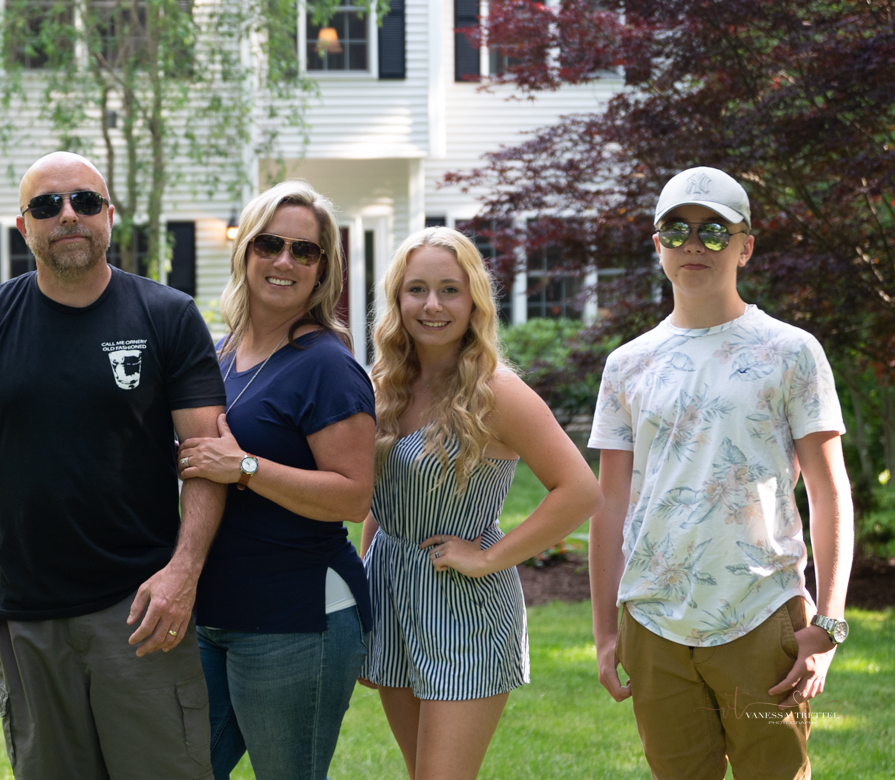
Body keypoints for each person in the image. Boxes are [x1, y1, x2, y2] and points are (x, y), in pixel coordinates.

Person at [0, 151, 227, 780]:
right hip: (26, 614)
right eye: (46, 205)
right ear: (23, 227)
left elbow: (205, 459)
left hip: (141, 608)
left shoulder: (167, 316)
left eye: (84, 201)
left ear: (109, 215)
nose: (68, 216)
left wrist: (183, 573)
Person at [588, 166, 854, 780]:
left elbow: (828, 491)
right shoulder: (627, 365)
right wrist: (605, 632)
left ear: (745, 246)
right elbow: (610, 505)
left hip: (760, 616)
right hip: (653, 625)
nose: (693, 244)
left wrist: (830, 624)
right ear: (657, 244)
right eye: (676, 229)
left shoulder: (790, 352)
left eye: (714, 231)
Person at [361, 227, 602, 780]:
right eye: (416, 289)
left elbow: (581, 490)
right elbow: (384, 501)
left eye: (450, 289)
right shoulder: (384, 385)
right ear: (397, 299)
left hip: (464, 607)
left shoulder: (496, 391)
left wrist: (490, 557)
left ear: (474, 300)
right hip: (393, 597)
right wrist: (367, 598)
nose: (432, 305)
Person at [176, 180, 375, 780]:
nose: (284, 261)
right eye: (269, 244)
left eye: (304, 251)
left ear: (323, 269)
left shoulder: (327, 366)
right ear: (245, 253)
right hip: (214, 614)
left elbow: (351, 493)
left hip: (297, 618)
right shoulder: (222, 353)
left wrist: (244, 468)